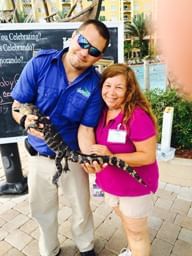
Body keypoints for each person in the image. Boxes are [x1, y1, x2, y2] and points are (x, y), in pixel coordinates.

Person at [11, 19, 110, 256]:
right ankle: (50, 250)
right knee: (42, 210)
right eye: (83, 42)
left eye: (94, 50)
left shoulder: (95, 85)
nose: (85, 52)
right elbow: (17, 106)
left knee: (81, 208)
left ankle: (86, 247)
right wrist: (25, 120)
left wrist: (89, 157)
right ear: (74, 36)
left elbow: (86, 129)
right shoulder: (40, 64)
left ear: (98, 57)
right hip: (39, 155)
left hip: (73, 155)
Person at [83, 64, 159, 256]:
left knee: (137, 232)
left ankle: (137, 250)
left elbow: (147, 156)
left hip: (134, 187)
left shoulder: (136, 116)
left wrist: (112, 156)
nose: (111, 92)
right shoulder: (101, 112)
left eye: (119, 87)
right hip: (110, 185)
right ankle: (133, 251)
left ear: (129, 91)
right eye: (107, 85)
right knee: (126, 222)